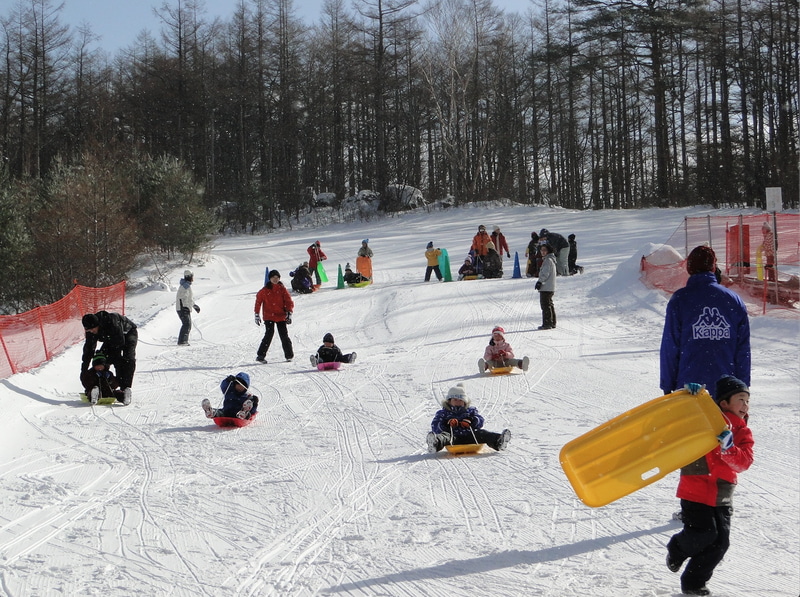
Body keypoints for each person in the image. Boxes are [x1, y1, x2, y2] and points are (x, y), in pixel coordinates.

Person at [666, 375, 754, 596]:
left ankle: (694, 583)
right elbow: (680, 421)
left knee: (720, 543)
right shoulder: (703, 418)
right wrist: (690, 397)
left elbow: (744, 463)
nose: (745, 405)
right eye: (740, 399)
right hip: (694, 490)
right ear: (724, 403)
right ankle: (677, 547)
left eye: (747, 401)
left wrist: (730, 448)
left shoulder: (742, 432)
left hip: (722, 495)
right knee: (703, 534)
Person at [660, 245, 750, 398]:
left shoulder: (680, 300)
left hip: (689, 387)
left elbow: (670, 346)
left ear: (689, 268)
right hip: (726, 389)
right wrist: (742, 388)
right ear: (714, 267)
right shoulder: (733, 300)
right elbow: (742, 349)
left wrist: (667, 385)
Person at [426, 383, 511, 453]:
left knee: (482, 433)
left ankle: (499, 442)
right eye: (455, 400)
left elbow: (480, 420)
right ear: (449, 401)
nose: (458, 402)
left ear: (465, 402)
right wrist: (446, 424)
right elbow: (435, 426)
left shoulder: (470, 411)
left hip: (470, 436)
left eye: (460, 400)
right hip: (452, 438)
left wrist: (472, 421)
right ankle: (435, 443)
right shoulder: (443, 413)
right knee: (444, 436)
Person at [81, 311, 138, 405]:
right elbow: (89, 349)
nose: (91, 332)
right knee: (101, 357)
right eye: (89, 330)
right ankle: (100, 384)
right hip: (111, 338)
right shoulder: (91, 330)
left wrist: (111, 362)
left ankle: (125, 389)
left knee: (127, 358)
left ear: (98, 325)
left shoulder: (111, 322)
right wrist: (84, 370)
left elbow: (118, 345)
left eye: (92, 329)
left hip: (128, 333)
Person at [254, 270, 295, 363]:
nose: (275, 279)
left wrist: (289, 312)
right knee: (269, 334)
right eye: (273, 278)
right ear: (270, 279)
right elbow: (258, 302)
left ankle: (289, 355)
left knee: (284, 335)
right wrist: (257, 314)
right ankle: (260, 355)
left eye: (277, 278)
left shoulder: (282, 289)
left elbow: (288, 301)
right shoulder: (264, 290)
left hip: (281, 316)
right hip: (269, 316)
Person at [176, 269, 200, 345]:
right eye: (192, 276)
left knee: (187, 324)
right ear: (189, 276)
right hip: (182, 308)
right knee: (186, 324)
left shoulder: (186, 285)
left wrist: (194, 306)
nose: (193, 278)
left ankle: (183, 340)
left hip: (183, 308)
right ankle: (182, 341)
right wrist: (185, 307)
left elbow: (189, 299)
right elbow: (183, 298)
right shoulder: (185, 286)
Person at [536, 244, 557, 329]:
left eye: (544, 250)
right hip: (550, 286)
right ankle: (552, 322)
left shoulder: (548, 260)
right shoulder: (550, 259)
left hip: (546, 287)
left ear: (548, 251)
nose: (542, 252)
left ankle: (547, 323)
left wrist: (540, 282)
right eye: (541, 250)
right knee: (549, 304)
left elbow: (545, 273)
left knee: (545, 305)